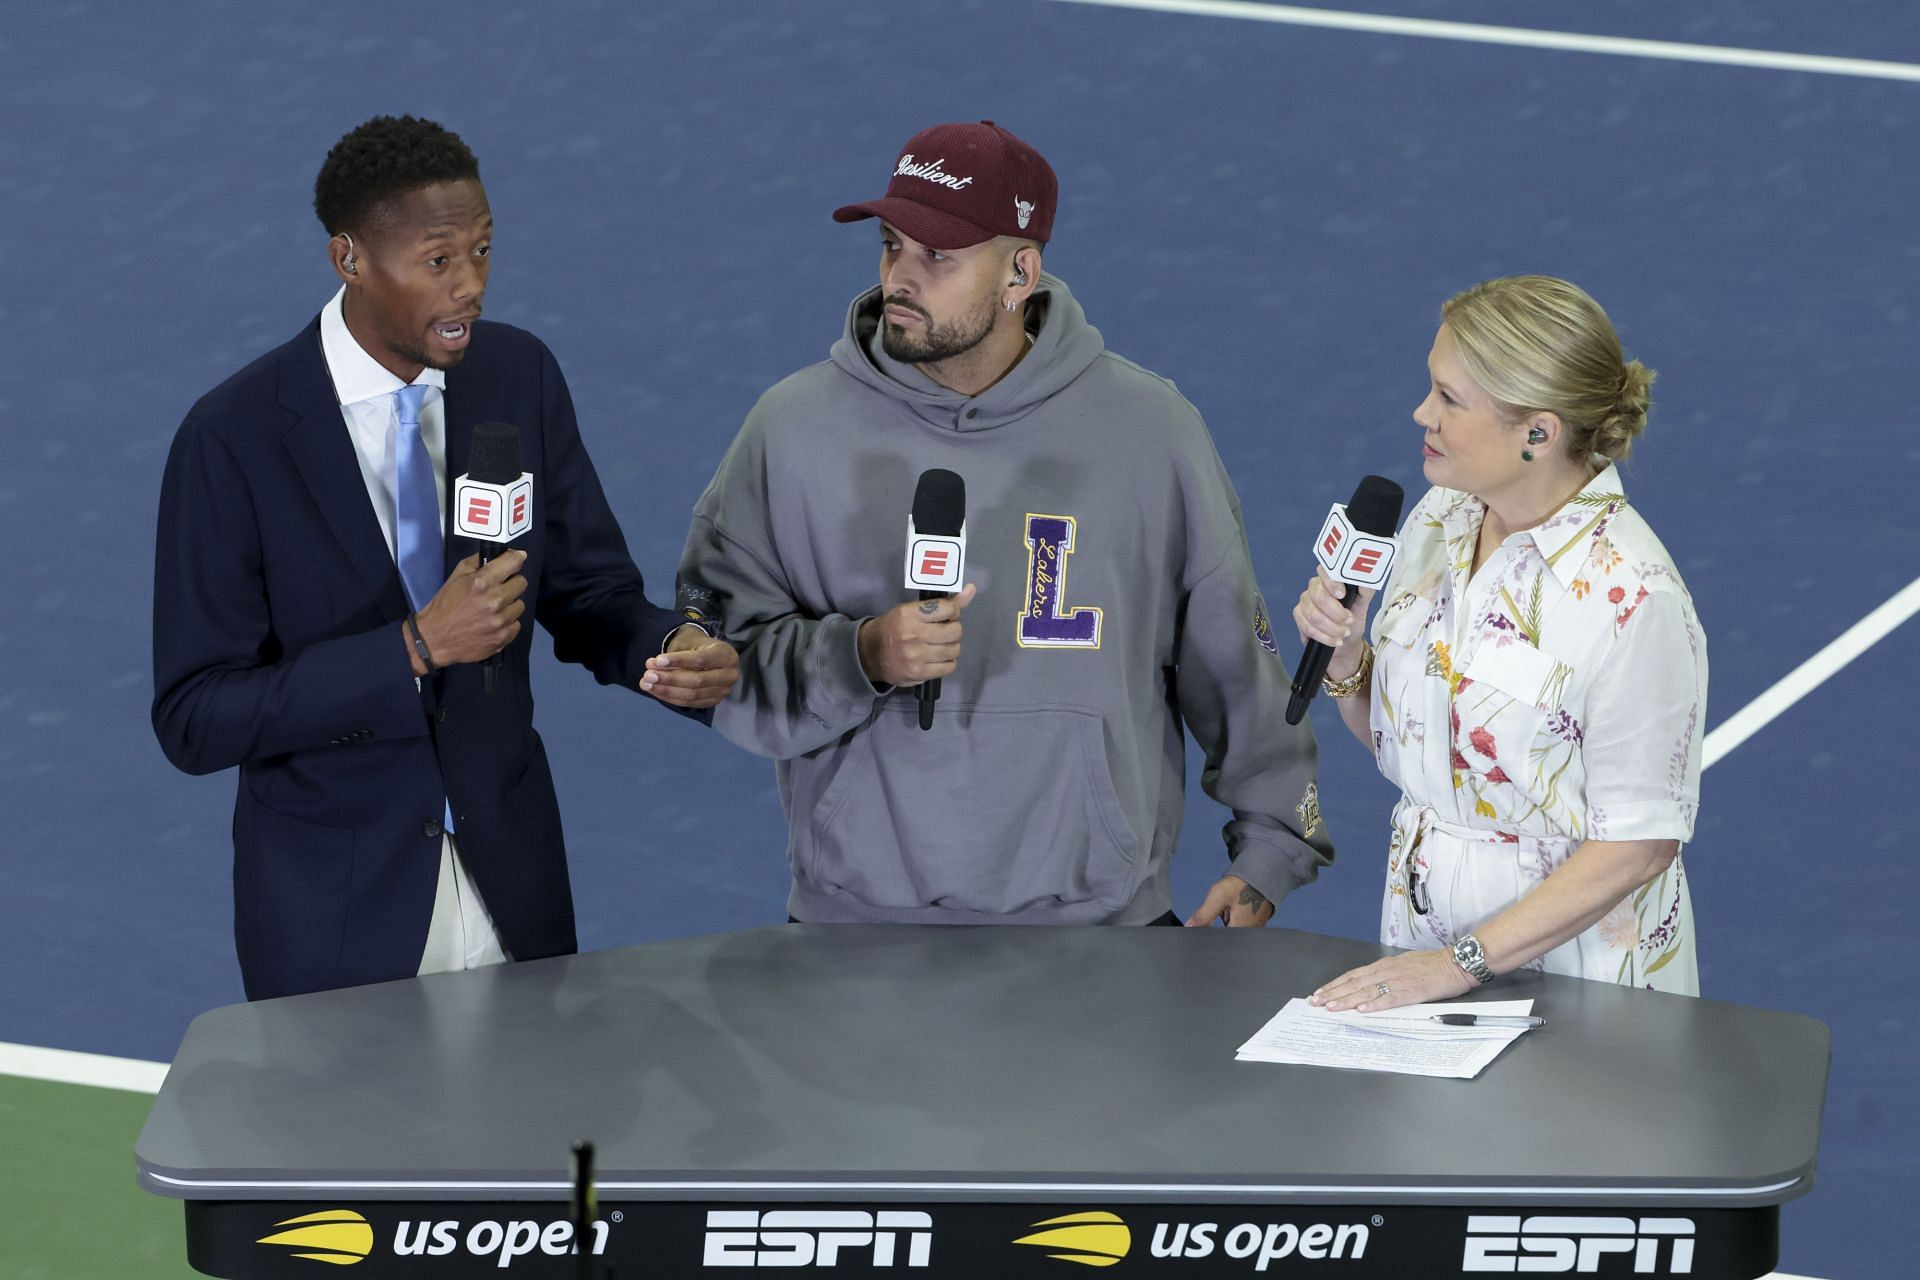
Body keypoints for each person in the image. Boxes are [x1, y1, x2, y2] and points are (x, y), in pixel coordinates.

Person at [677, 121, 1332, 927]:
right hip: (853, 942)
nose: (899, 278)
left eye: (938, 256)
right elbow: (721, 665)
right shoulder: (791, 429)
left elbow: (1231, 652)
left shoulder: (1149, 430)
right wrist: (863, 655)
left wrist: (1270, 848)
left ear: (1021, 270)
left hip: (1101, 937)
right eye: (891, 245)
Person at [152, 115, 738, 1000]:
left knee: (532, 1137)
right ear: (348, 258)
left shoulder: (517, 375)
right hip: (337, 920)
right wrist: (412, 650)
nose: (470, 287)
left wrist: (668, 647)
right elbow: (196, 717)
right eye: (437, 262)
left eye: (483, 251)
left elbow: (588, 589)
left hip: (515, 886)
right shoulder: (231, 440)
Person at [1300, 276, 1706, 1012]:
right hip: (1421, 947)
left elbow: (1639, 845)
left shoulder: (1636, 600)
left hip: (1584, 988)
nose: (1421, 413)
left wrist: (1457, 968)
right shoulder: (1438, 520)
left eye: (1450, 400)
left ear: (1539, 434)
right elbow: (1423, 753)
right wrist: (1347, 663)